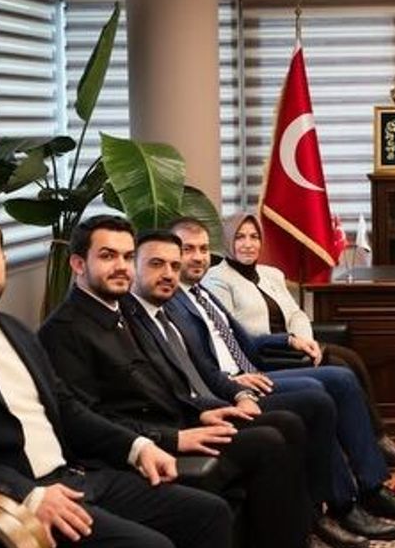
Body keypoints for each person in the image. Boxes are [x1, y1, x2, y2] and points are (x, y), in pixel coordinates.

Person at [0, 198, 232, 548]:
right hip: (6, 505)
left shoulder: (15, 330)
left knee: (208, 513)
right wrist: (28, 494)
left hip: (73, 479)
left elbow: (67, 408)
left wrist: (137, 447)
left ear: (3, 258)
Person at [38, 216, 319, 548]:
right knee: (267, 442)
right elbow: (85, 421)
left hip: (173, 422)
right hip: (137, 449)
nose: (121, 266)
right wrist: (173, 438)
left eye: (127, 257)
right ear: (78, 264)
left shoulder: (123, 310)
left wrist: (201, 412)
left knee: (283, 424)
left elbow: (163, 381)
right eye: (107, 256)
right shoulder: (64, 331)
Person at [165, 217, 395, 535]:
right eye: (188, 249)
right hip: (233, 384)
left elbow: (244, 341)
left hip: (251, 368)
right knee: (317, 392)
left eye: (203, 249)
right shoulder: (174, 301)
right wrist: (232, 384)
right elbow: (196, 364)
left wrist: (289, 339)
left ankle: (372, 488)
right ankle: (344, 504)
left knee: (342, 377)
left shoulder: (201, 293)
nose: (198, 257)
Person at [201, 212, 395, 467]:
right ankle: (372, 446)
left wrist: (305, 341)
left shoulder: (271, 274)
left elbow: (296, 314)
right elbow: (233, 334)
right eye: (240, 237)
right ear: (227, 241)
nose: (248, 244)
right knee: (341, 367)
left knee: (352, 359)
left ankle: (377, 439)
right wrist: (288, 340)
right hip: (261, 355)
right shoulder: (217, 279)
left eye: (254, 237)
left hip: (293, 347)